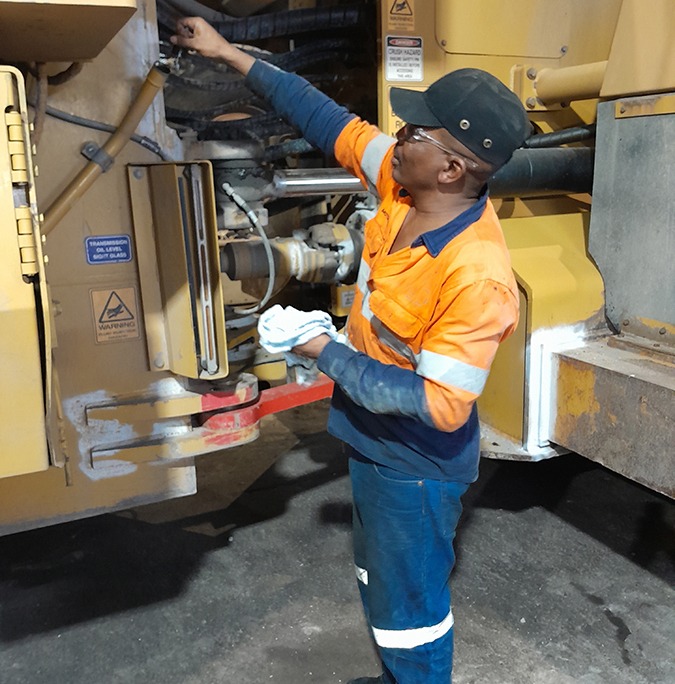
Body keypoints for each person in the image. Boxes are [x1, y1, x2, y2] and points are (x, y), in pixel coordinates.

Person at [172, 17, 530, 684]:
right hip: (371, 441)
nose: (395, 137)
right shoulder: (404, 183)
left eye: (414, 133)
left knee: (408, 613)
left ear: (451, 165)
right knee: (380, 586)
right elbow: (320, 114)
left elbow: (441, 405)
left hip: (413, 464)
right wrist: (227, 53)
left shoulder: (476, 276)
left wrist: (320, 347)